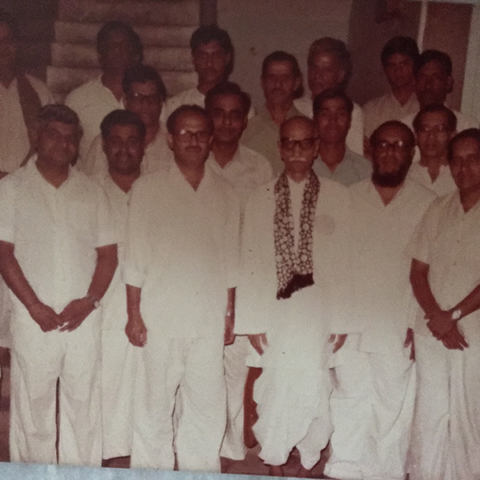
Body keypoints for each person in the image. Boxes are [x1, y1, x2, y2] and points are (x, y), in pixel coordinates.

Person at [124, 105, 240, 472]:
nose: (194, 140)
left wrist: (229, 313)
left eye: (201, 134)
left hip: (207, 320)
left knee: (205, 409)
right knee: (154, 409)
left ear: (210, 139)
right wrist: (133, 314)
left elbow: (232, 261)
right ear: (170, 140)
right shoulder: (148, 188)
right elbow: (135, 257)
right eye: (185, 134)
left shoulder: (226, 192)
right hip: (160, 319)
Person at [0, 104, 118, 466]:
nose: (62, 143)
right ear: (37, 137)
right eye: (53, 134)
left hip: (81, 319)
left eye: (70, 137)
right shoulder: (12, 187)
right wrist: (34, 306)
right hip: (33, 318)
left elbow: (108, 256)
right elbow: (4, 254)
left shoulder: (92, 190)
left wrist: (90, 301)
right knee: (32, 413)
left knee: (83, 410)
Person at [235, 115, 352, 477]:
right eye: (290, 142)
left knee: (314, 387)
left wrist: (342, 319)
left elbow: (347, 262)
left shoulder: (338, 196)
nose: (297, 149)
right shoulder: (260, 197)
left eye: (305, 142)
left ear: (317, 147)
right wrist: (252, 319)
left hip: (319, 313)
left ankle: (304, 462)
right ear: (280, 149)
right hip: (274, 312)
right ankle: (274, 462)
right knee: (275, 389)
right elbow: (250, 259)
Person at [324, 121, 435, 480]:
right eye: (383, 145)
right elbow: (331, 263)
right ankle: (343, 470)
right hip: (351, 321)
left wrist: (418, 322)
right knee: (348, 401)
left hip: (398, 322)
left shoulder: (427, 203)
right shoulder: (348, 197)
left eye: (399, 145)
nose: (390, 152)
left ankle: (383, 475)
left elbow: (430, 270)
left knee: (392, 407)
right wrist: (334, 318)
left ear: (411, 152)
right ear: (371, 150)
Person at [204, 82, 273, 462]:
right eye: (219, 112)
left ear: (245, 120)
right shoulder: (194, 159)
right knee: (200, 366)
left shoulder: (258, 166)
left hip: (243, 282)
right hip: (200, 280)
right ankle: (200, 443)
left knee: (233, 368)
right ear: (207, 114)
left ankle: (227, 451)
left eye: (235, 114)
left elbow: (263, 233)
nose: (227, 121)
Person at [407, 128, 480, 480]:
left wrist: (453, 316)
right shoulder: (439, 208)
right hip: (433, 331)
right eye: (458, 160)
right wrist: (437, 318)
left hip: (474, 335)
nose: (464, 168)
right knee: (430, 416)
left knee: (469, 419)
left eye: (473, 159)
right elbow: (418, 271)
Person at [93, 109, 145, 463]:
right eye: (116, 140)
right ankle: (110, 459)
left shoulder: (158, 190)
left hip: (148, 304)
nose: (124, 148)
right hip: (104, 306)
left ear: (144, 146)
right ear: (104, 146)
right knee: (107, 386)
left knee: (145, 387)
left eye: (132, 141)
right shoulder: (89, 191)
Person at [65, 21, 143, 160]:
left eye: (124, 46)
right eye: (111, 46)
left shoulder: (148, 98)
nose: (118, 50)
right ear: (100, 54)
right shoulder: (78, 99)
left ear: (135, 54)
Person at [83, 64, 171, 175]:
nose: (145, 104)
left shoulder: (174, 142)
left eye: (152, 98)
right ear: (125, 101)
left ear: (161, 102)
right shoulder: (104, 142)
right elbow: (90, 186)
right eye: (137, 97)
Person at [0, 8, 53, 177]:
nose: (3, 48)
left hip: (27, 186)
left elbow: (50, 142)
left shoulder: (39, 91)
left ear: (17, 44)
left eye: (7, 40)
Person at [294, 37, 364, 155]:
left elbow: (355, 156)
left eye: (326, 70)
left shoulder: (352, 112)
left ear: (340, 75)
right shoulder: (296, 107)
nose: (317, 76)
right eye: (314, 68)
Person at [242, 51, 304, 174]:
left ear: (296, 83)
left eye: (285, 78)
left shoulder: (309, 128)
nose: (278, 84)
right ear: (262, 82)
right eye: (272, 77)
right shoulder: (245, 131)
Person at [162, 25, 234, 120]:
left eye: (216, 56)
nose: (209, 63)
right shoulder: (175, 105)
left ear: (227, 58)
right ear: (193, 58)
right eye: (203, 56)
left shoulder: (240, 106)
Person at [402, 50, 478, 134]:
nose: (428, 85)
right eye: (422, 77)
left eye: (436, 77)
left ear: (449, 82)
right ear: (414, 83)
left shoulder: (467, 126)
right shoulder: (404, 127)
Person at [363, 36, 420, 139]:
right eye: (392, 66)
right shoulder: (371, 110)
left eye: (404, 64)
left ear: (415, 65)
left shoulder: (424, 106)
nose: (398, 71)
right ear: (385, 70)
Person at [312, 89, 371, 185]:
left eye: (341, 114)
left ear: (350, 121)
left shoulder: (365, 170)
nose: (333, 121)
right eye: (325, 114)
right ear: (314, 120)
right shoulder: (303, 166)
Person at [408, 104, 457, 195]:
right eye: (425, 129)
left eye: (440, 129)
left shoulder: (462, 175)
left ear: (452, 135)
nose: (431, 136)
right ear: (415, 135)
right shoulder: (405, 175)